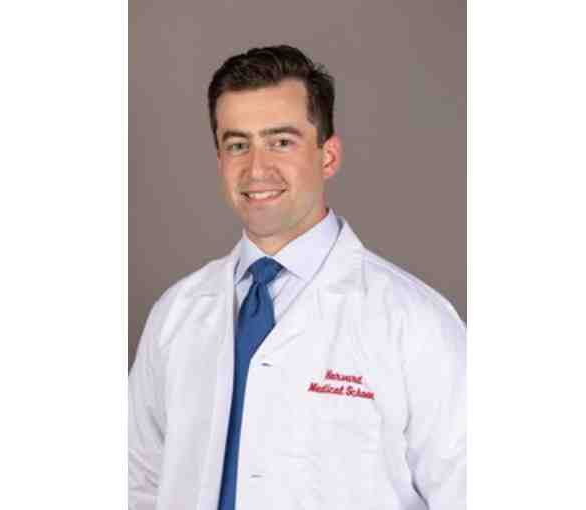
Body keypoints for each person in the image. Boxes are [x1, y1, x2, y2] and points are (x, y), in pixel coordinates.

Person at [129, 45, 466, 510]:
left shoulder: (416, 321)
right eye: (238, 144)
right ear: (219, 160)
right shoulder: (175, 314)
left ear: (328, 156)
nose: (256, 168)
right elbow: (137, 482)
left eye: (281, 142)